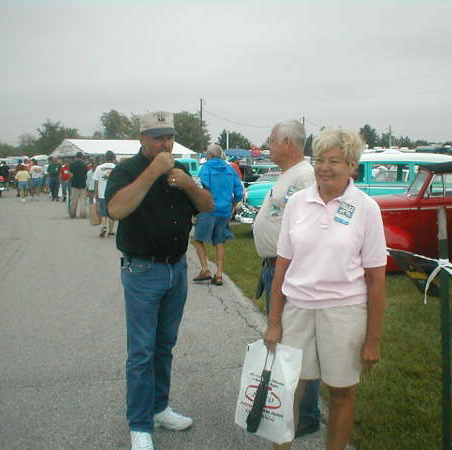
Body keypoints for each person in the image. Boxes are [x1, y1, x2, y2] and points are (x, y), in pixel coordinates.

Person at [264, 127, 387, 450]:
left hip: (344, 313)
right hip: (298, 310)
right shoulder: (297, 204)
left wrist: (372, 340)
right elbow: (282, 267)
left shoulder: (366, 208)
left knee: (342, 393)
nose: (324, 167)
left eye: (335, 160)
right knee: (288, 388)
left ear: (352, 166)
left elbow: (376, 280)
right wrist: (274, 322)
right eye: (319, 159)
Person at [105, 111, 213, 450]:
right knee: (141, 351)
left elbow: (208, 206)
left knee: (164, 345)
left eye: (169, 137)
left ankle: (159, 407)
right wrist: (154, 171)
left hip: (176, 268)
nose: (165, 143)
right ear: (142, 139)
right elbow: (116, 210)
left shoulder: (180, 171)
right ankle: (140, 424)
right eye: (157, 137)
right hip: (142, 270)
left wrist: (188, 184)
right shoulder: (126, 171)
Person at [252, 120, 320, 439]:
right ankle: (296, 407)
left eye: (271, 140)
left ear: (288, 142)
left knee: (296, 342)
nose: (268, 145)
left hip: (289, 269)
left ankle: (305, 414)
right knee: (291, 341)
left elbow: (303, 230)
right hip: (275, 266)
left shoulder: (305, 176)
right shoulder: (288, 174)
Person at [192, 144, 243, 286]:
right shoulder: (230, 169)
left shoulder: (206, 168)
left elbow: (201, 190)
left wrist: (195, 210)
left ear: (208, 155)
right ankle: (219, 274)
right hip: (225, 210)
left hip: (209, 209)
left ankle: (205, 269)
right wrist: (233, 205)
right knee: (219, 242)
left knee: (197, 239)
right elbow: (239, 192)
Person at [93, 151, 117, 238]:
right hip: (113, 194)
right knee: (112, 213)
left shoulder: (99, 168)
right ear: (113, 158)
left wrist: (96, 193)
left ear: (105, 158)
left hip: (102, 193)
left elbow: (96, 182)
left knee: (103, 212)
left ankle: (103, 227)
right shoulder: (116, 167)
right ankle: (110, 231)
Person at [68, 152, 88, 218]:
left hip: (74, 184)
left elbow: (71, 175)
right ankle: (83, 214)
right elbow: (85, 175)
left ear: (76, 157)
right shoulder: (84, 165)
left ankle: (73, 213)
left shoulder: (72, 164)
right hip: (83, 184)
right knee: (82, 200)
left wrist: (69, 181)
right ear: (82, 157)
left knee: (74, 200)